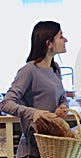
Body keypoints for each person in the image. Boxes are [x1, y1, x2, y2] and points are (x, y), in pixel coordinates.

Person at [0, 21, 69, 158]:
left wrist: (63, 107)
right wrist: (35, 113)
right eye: (61, 36)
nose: (66, 39)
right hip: (32, 150)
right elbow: (6, 103)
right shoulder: (29, 70)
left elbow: (63, 98)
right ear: (48, 43)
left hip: (51, 148)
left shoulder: (55, 68)